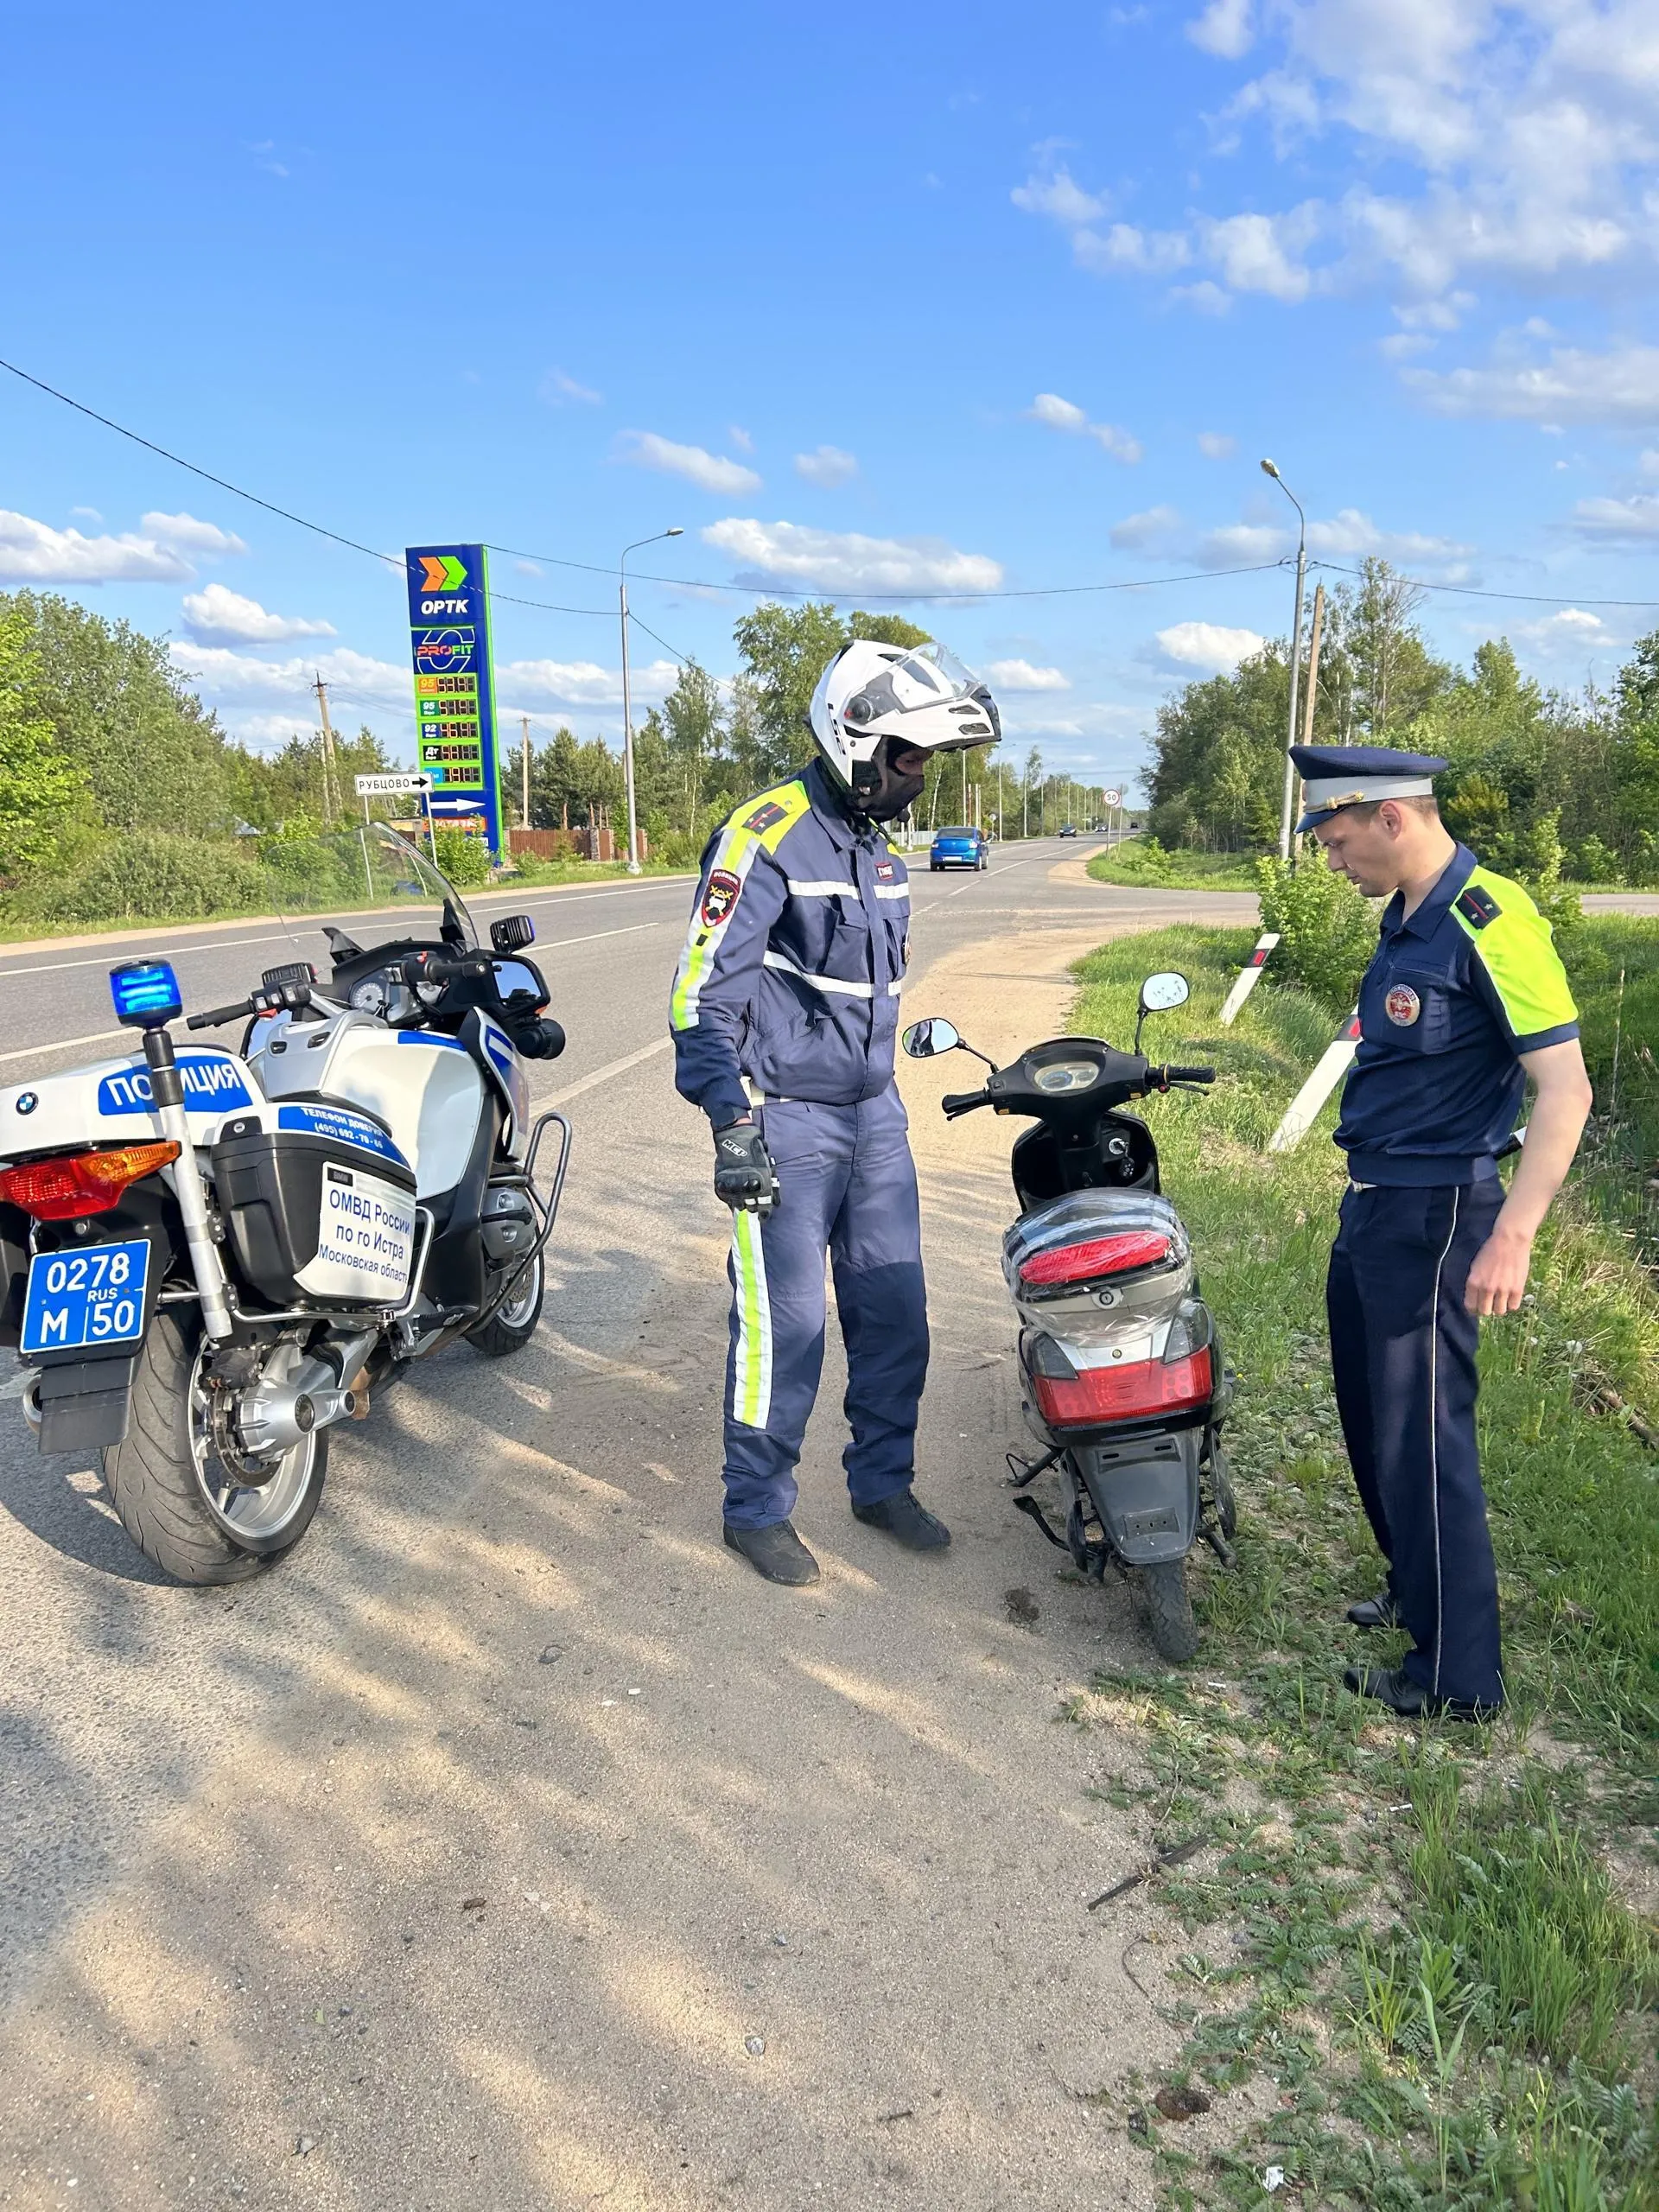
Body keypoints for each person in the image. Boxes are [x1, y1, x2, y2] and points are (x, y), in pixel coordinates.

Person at [670, 640, 1001, 1586]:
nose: (920, 778)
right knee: (789, 1328)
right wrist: (731, 1123)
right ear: (854, 737)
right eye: (908, 757)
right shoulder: (763, 836)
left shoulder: (879, 848)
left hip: (875, 1118)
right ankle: (755, 1506)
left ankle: (881, 1482)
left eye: (927, 761)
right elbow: (701, 998)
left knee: (896, 1312)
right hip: (786, 1122)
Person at [1291, 744, 1593, 1720]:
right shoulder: (1405, 915)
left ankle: (1459, 1677)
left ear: (1391, 817)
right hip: (1377, 1200)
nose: (1334, 863)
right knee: (1371, 1414)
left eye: (1338, 841)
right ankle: (1410, 1586)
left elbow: (1566, 1089)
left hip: (1441, 1213)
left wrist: (1516, 1233)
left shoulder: (1487, 919)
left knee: (1424, 1439)